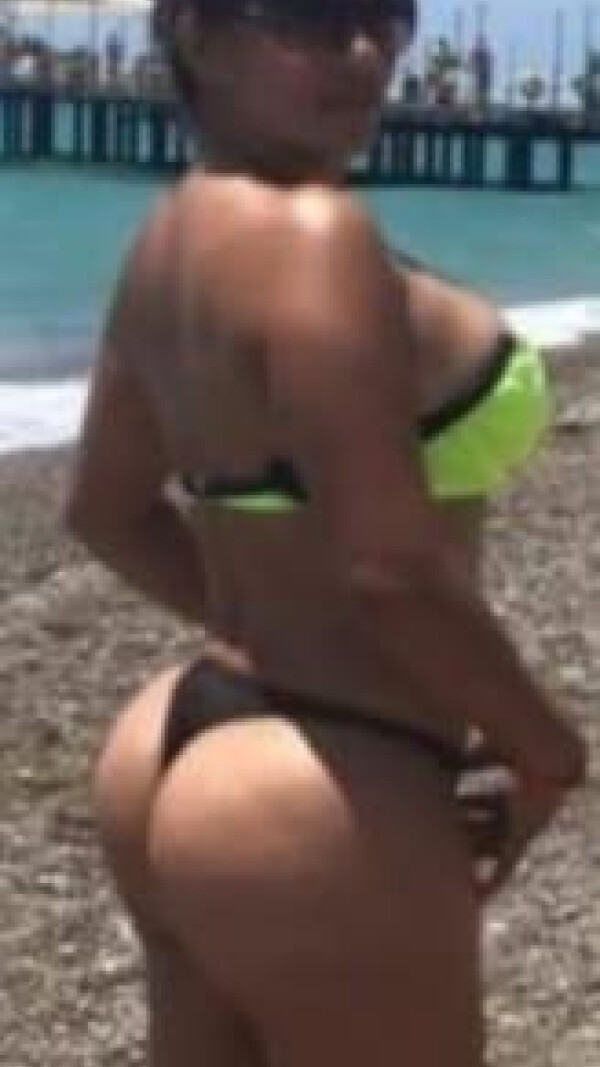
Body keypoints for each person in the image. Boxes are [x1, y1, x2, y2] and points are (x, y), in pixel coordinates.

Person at [63, 0, 586, 1063]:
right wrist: (545, 750)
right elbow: (390, 568)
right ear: (197, 36)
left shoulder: (168, 237)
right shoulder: (316, 236)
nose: (360, 52)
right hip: (327, 780)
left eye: (384, 19)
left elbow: (105, 510)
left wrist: (267, 625)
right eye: (310, 17)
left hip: (175, 742)